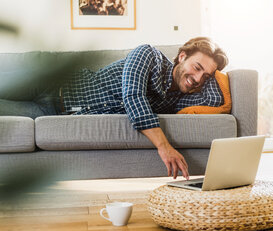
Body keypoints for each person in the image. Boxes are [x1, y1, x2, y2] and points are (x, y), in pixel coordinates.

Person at [0, 37, 228, 180]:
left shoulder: (179, 100)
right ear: (182, 56)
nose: (197, 78)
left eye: (205, 76)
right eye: (197, 67)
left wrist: (213, 74)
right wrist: (164, 146)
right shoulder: (148, 54)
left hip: (51, 115)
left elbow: (219, 99)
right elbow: (133, 96)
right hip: (51, 82)